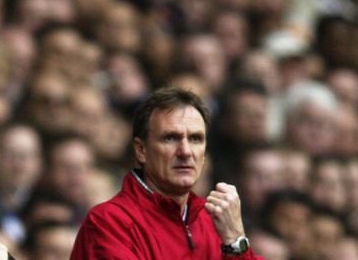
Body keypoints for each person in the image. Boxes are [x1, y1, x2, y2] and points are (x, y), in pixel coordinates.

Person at [70, 87, 261, 258]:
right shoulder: (109, 222)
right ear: (141, 150)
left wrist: (236, 240)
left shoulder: (216, 221)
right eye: (170, 138)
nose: (186, 151)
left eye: (195, 139)